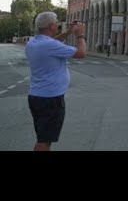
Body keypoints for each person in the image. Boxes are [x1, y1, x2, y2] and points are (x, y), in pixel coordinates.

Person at [24, 12, 86, 151]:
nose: (58, 24)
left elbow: (53, 42)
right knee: (44, 142)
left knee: (43, 138)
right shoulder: (49, 45)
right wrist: (79, 35)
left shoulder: (33, 42)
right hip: (50, 99)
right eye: (57, 22)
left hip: (37, 96)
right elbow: (81, 53)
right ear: (51, 26)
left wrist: (69, 32)